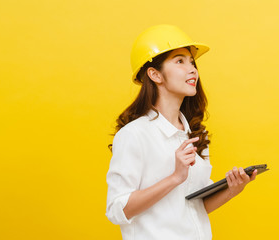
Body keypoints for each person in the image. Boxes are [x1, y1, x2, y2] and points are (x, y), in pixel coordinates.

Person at [106, 24, 258, 240]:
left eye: (192, 62)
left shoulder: (193, 134)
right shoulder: (134, 135)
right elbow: (116, 210)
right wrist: (175, 177)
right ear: (155, 74)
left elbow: (195, 206)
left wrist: (232, 190)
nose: (193, 69)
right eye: (180, 61)